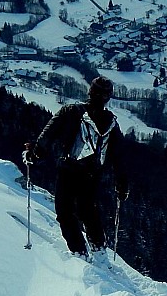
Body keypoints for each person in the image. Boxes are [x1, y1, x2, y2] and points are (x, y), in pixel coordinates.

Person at [23, 75, 128, 259]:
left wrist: (35, 153)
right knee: (88, 209)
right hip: (93, 174)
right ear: (108, 97)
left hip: (69, 170)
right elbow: (119, 156)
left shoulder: (71, 111)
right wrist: (121, 183)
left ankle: (79, 252)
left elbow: (49, 134)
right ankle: (99, 249)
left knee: (65, 212)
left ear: (90, 91)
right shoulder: (111, 123)